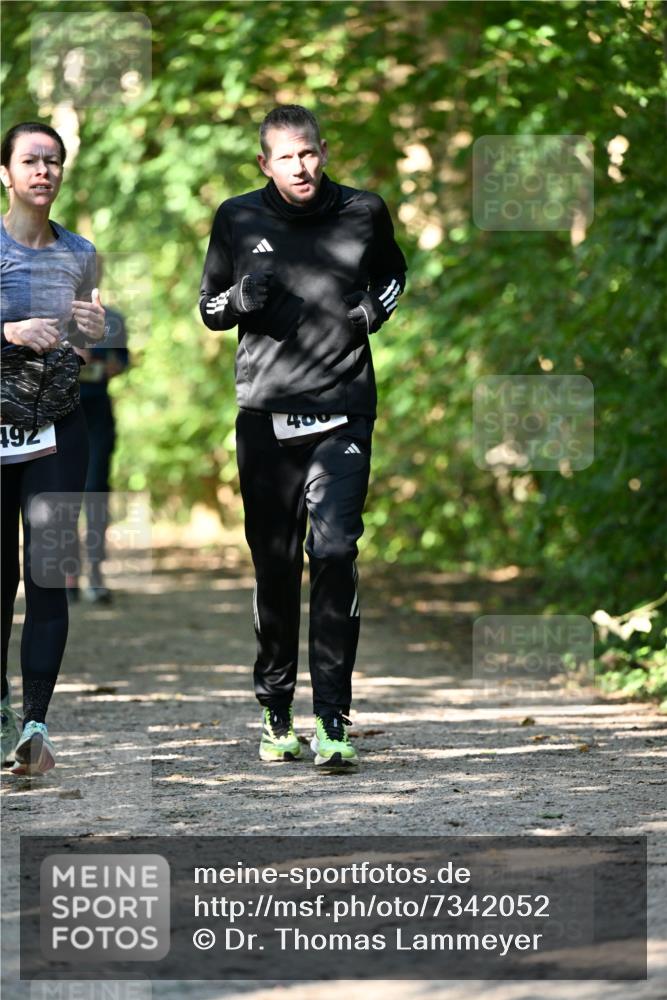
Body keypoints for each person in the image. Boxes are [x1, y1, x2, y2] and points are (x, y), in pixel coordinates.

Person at [199, 105, 407, 771]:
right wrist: (238, 300)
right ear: (264, 163)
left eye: (309, 152)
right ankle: (275, 708)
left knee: (336, 550)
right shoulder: (237, 217)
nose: (301, 166)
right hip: (265, 416)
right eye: (286, 156)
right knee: (276, 565)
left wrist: (374, 310)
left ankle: (333, 719)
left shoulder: (363, 210)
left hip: (343, 408)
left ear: (324, 151)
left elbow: (393, 274)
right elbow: (208, 307)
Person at [0, 122, 105, 775]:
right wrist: (9, 332)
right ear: (5, 174)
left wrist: (93, 330)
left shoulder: (81, 252)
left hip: (59, 429)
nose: (43, 170)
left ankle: (35, 725)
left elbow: (86, 350)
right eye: (30, 161)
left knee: (48, 575)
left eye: (54, 161)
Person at [68, 260, 130, 604]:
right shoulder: (54, 316)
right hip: (60, 415)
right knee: (63, 492)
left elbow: (122, 362)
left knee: (95, 492)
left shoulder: (113, 319)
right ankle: (67, 574)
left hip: (98, 417)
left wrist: (105, 366)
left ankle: (96, 573)